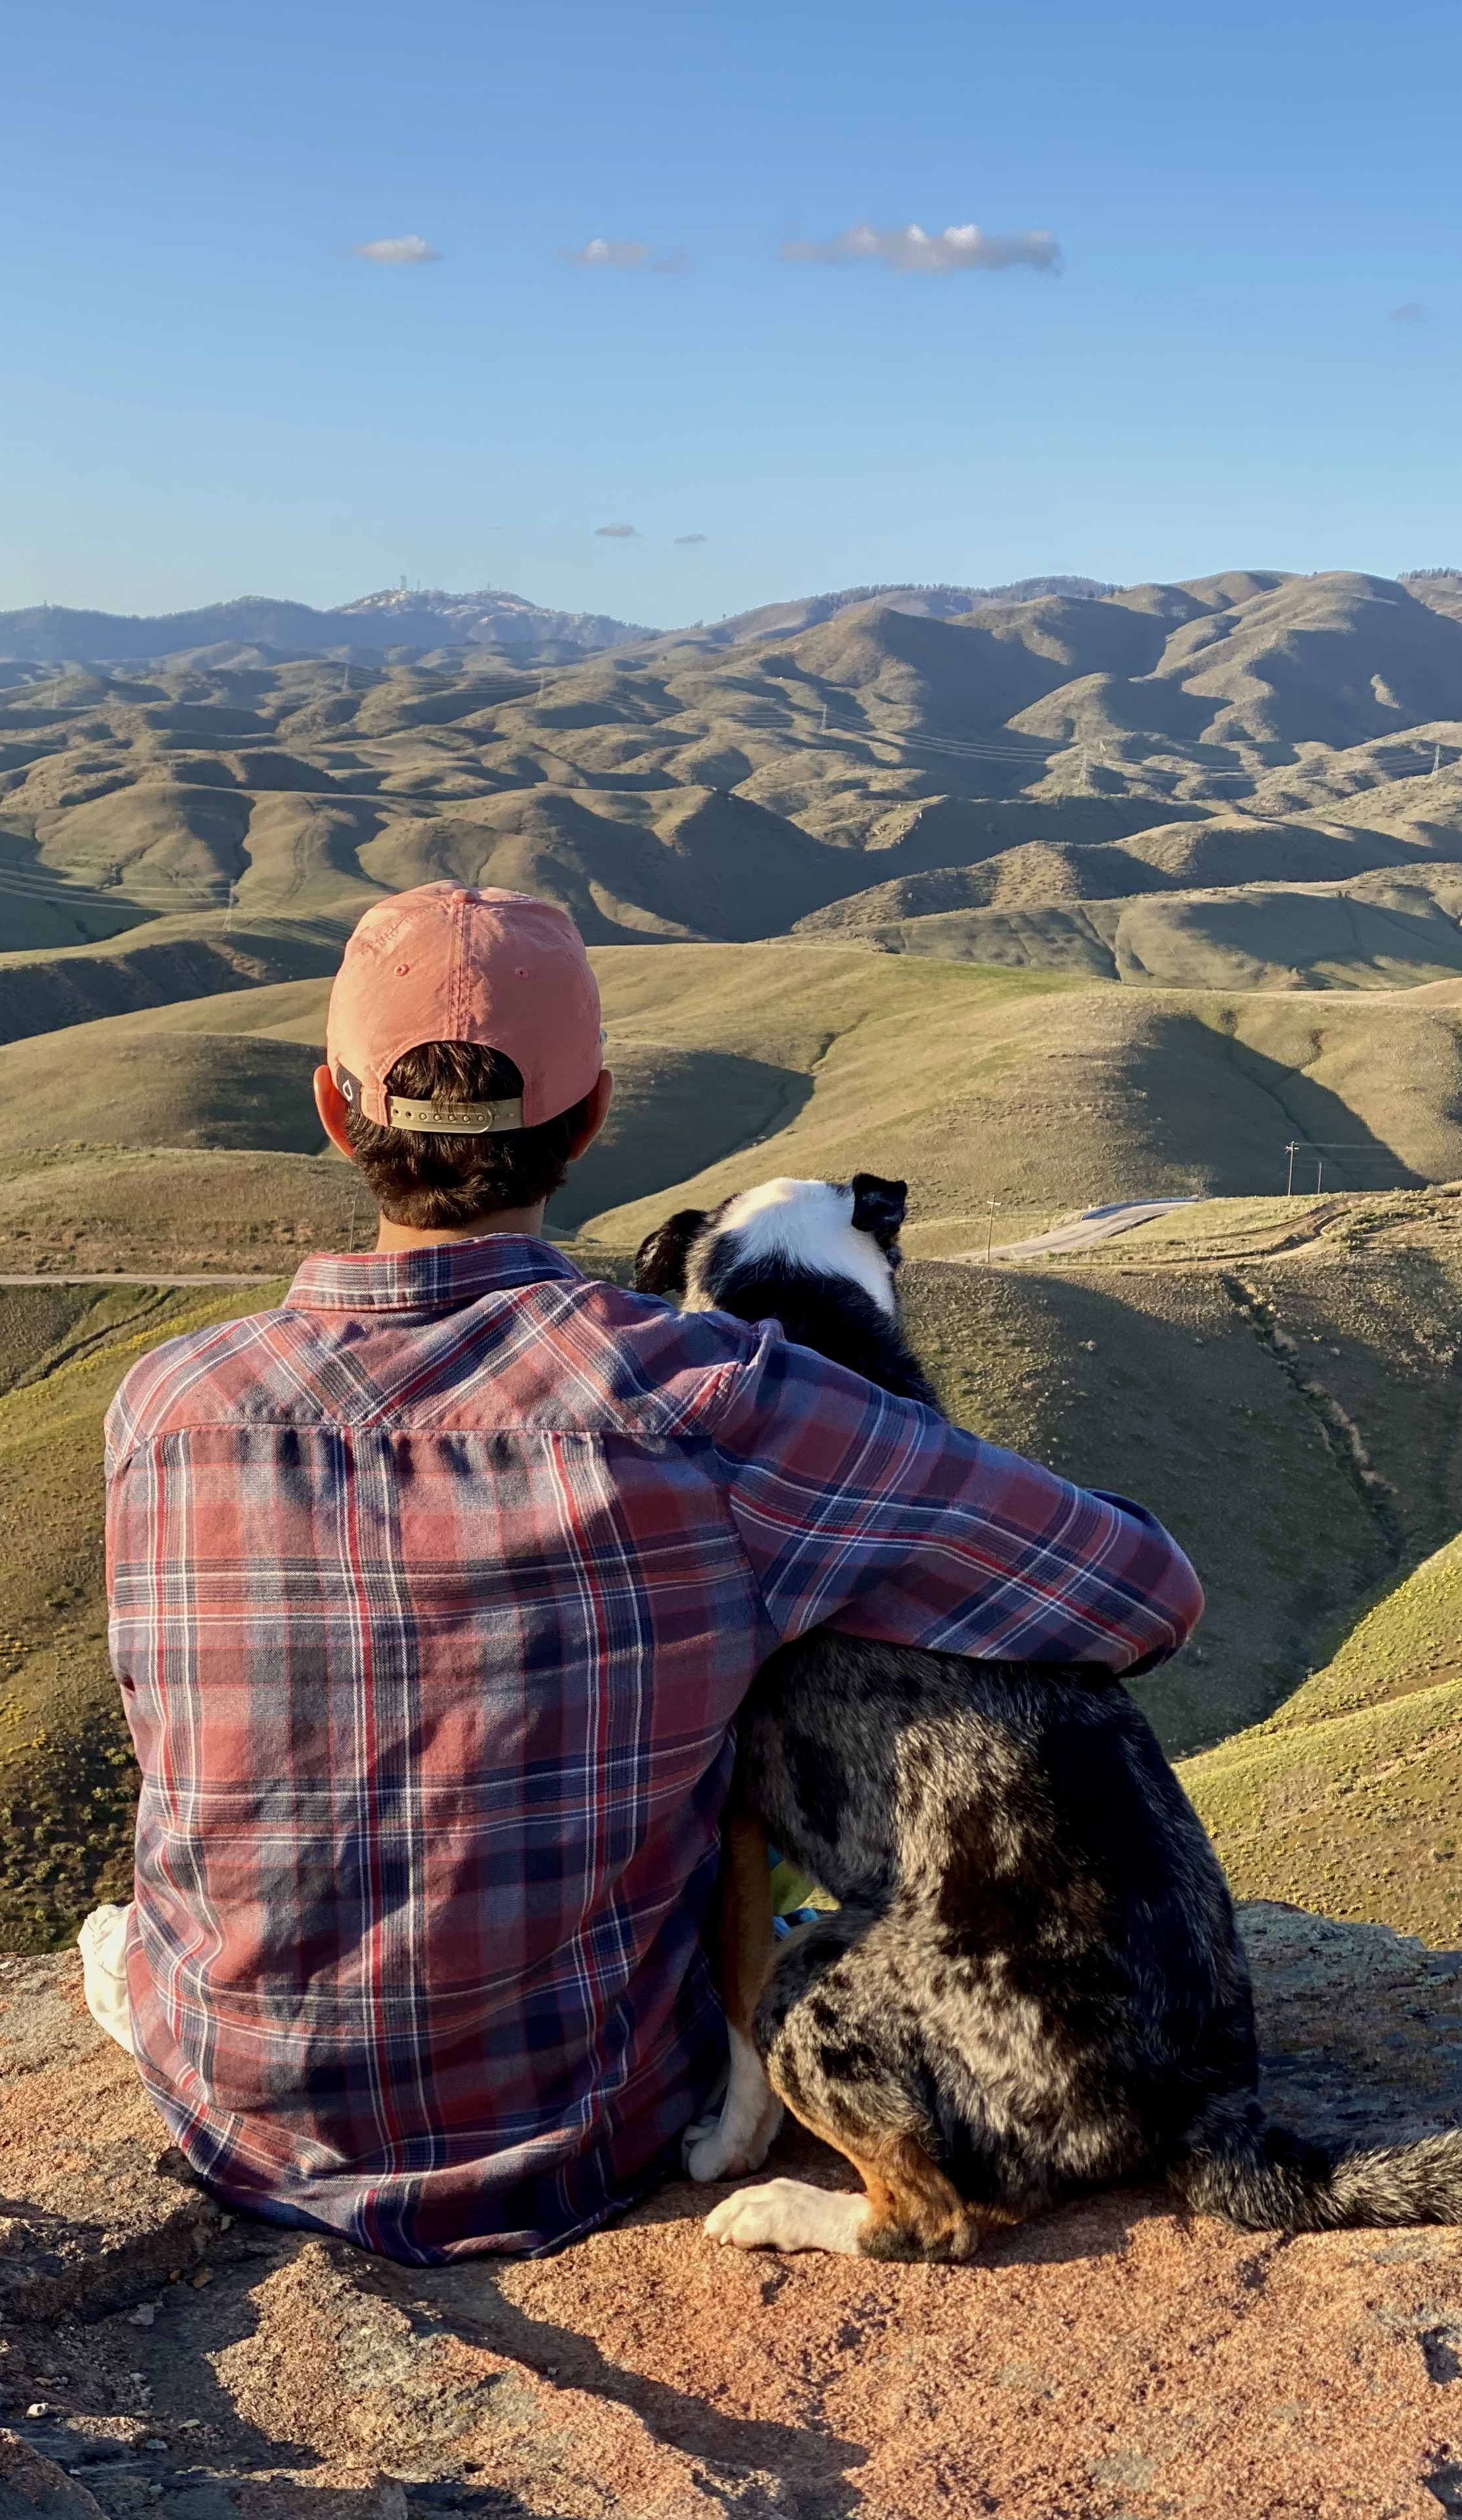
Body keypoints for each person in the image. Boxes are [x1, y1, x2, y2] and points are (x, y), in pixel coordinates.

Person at [86, 879, 1202, 2265]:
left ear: (334, 1109)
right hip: (588, 2130)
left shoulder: (168, 1408)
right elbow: (1143, 1591)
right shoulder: (713, 1400)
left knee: (121, 1920)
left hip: (235, 2121)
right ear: (593, 1114)